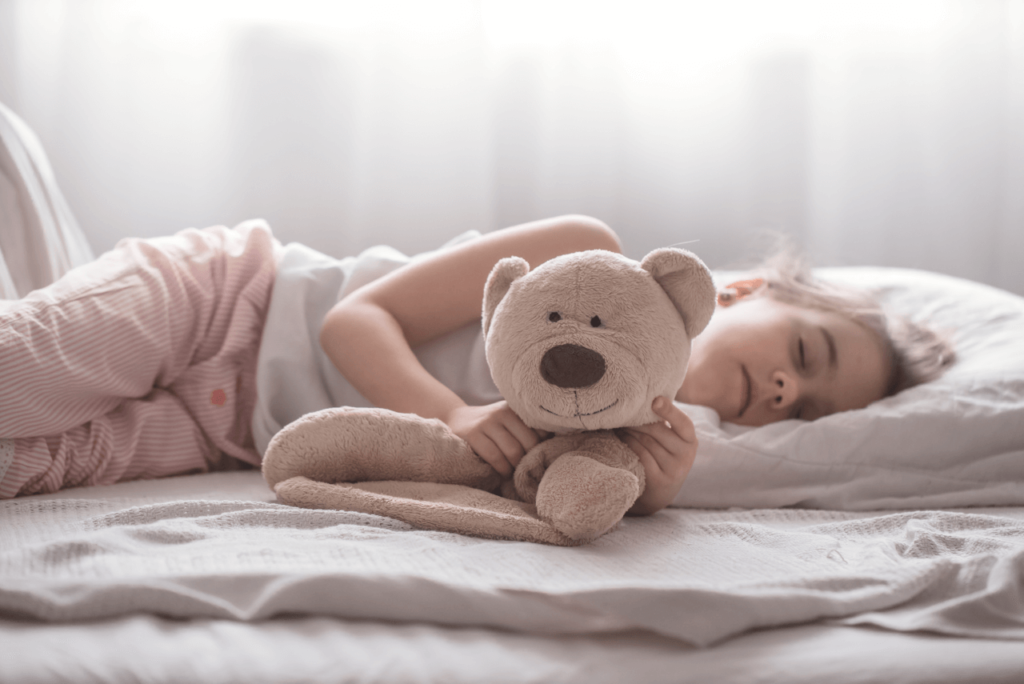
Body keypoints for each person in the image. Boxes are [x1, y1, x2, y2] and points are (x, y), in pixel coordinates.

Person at [0, 215, 952, 508]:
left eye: (807, 408)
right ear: (741, 293)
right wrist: (450, 416)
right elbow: (355, 324)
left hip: (231, 432)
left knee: (29, 468)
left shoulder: (635, 427)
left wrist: (646, 492)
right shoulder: (584, 250)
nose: (788, 388)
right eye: (805, 352)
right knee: (18, 377)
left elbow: (551, 496)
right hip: (226, 305)